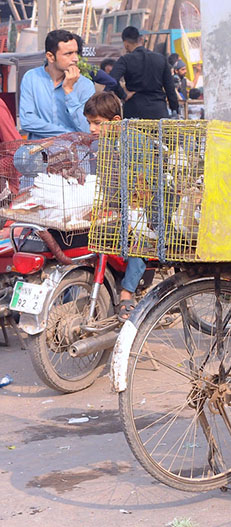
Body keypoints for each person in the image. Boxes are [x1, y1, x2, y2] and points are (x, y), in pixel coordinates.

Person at [83, 91, 146, 320]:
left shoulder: (136, 142)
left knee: (140, 239)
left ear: (116, 122)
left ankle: (127, 292)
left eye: (97, 123)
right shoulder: (101, 146)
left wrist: (128, 206)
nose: (92, 129)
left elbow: (144, 184)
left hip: (145, 207)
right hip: (119, 205)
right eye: (89, 123)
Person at [19, 29, 95, 139]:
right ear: (50, 56)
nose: (75, 59)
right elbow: (27, 121)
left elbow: (86, 129)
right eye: (68, 54)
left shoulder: (85, 85)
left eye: (76, 52)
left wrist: (69, 91)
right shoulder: (31, 78)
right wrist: (69, 135)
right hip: (38, 152)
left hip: (74, 153)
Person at [109, 26, 179, 119]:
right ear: (141, 40)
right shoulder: (160, 58)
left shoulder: (125, 60)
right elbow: (170, 87)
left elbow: (111, 80)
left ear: (125, 44)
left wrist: (123, 94)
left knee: (134, 134)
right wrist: (175, 108)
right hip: (158, 110)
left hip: (135, 110)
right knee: (159, 134)